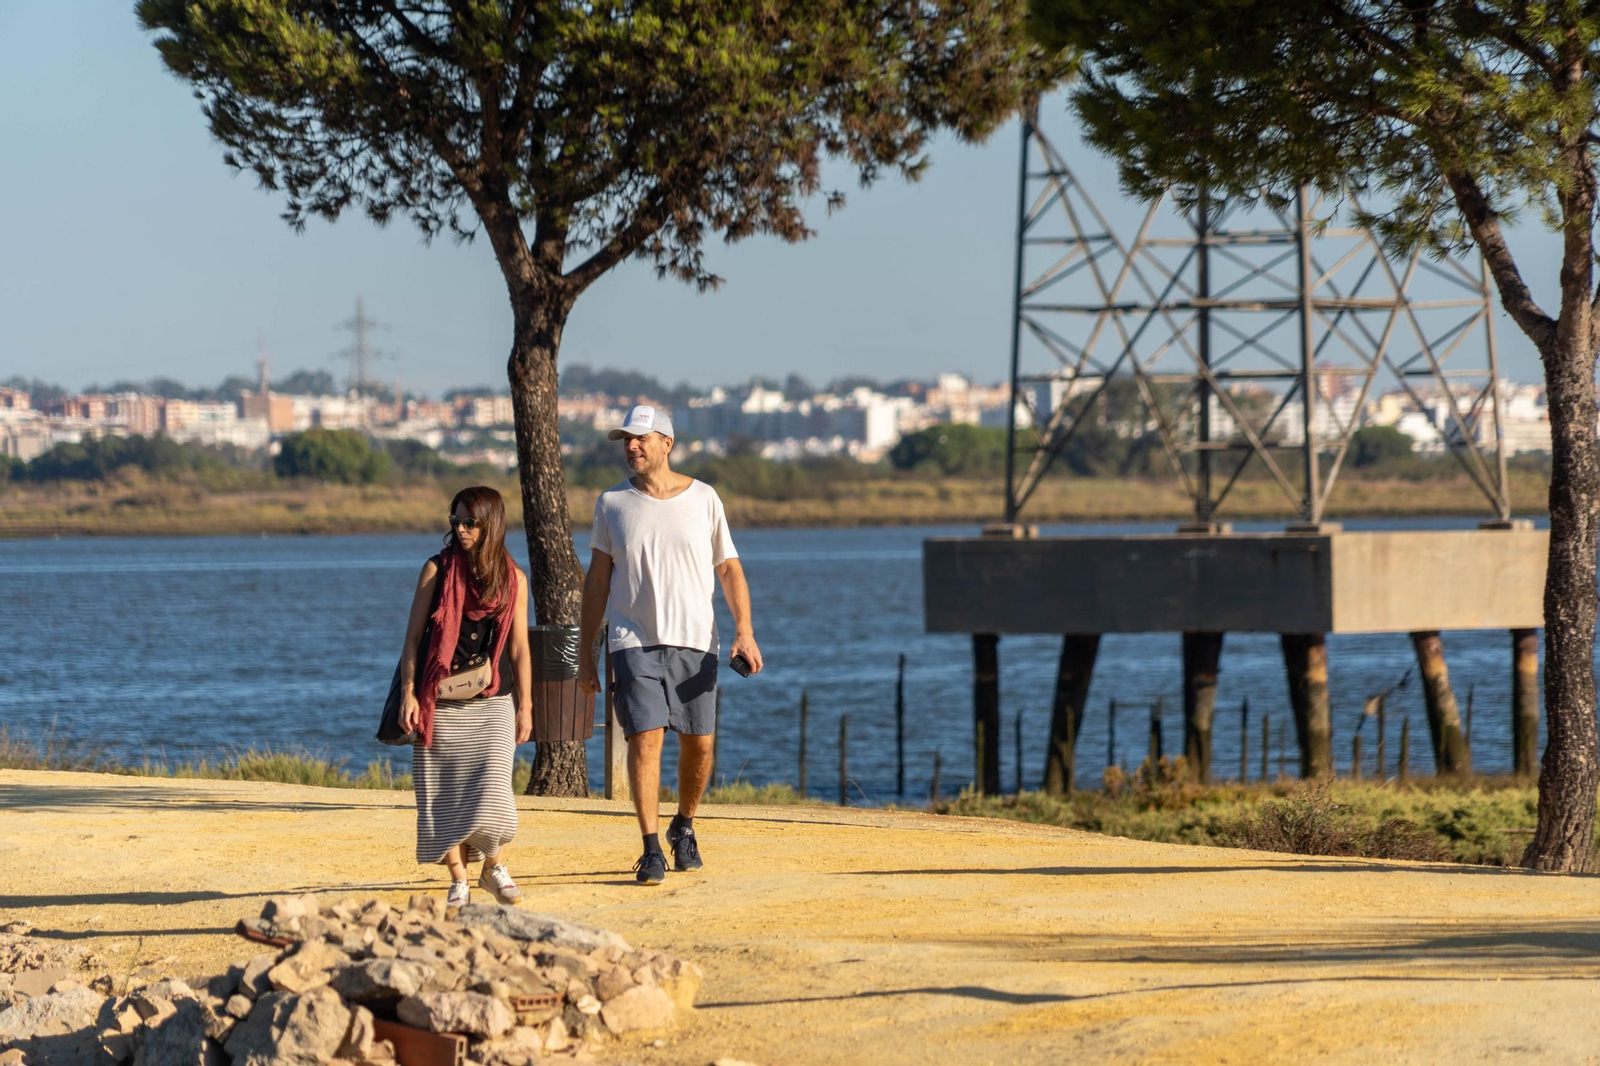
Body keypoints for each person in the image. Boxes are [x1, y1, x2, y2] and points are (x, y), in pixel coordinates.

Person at [577, 404, 762, 885]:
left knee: (699, 746)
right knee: (645, 739)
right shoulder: (611, 504)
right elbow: (598, 582)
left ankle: (684, 825)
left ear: (667, 443)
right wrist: (586, 653)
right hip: (632, 641)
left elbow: (729, 568)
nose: (632, 446)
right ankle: (650, 847)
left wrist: (744, 630)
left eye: (641, 437)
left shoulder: (704, 499)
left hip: (697, 641)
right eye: (626, 440)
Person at [398, 486, 533, 907]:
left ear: (490, 524)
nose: (459, 528)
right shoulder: (436, 570)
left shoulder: (513, 578)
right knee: (442, 795)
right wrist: (408, 693)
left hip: (493, 700)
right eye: (455, 520)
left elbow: (519, 648)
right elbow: (414, 639)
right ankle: (459, 880)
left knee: (495, 790)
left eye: (469, 522)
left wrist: (526, 705)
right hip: (438, 701)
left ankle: (493, 866)